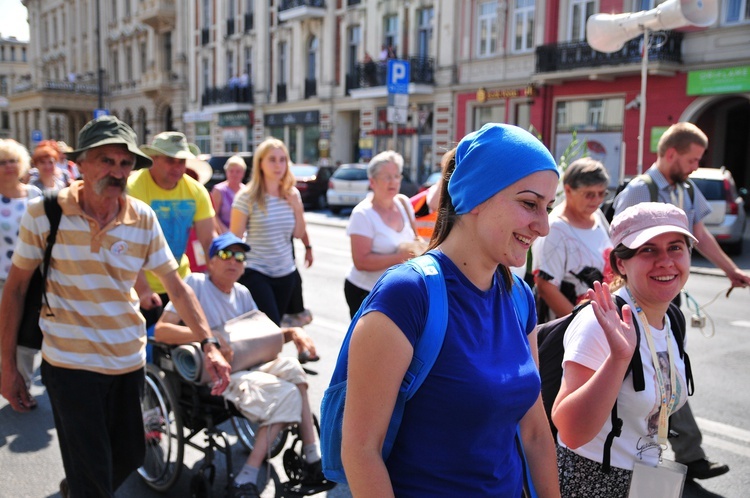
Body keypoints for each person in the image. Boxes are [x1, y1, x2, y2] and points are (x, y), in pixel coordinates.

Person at [0, 116, 231, 497]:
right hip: (69, 364)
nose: (118, 171)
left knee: (130, 454)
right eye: (106, 160)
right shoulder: (45, 213)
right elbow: (15, 289)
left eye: (125, 163)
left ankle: (78, 486)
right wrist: (8, 367)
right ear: (81, 164)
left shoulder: (141, 217)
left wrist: (208, 344)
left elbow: (176, 283)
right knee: (94, 477)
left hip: (127, 360)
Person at [340, 123, 561, 496]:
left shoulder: (519, 297)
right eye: (529, 203)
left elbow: (536, 434)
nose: (543, 226)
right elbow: (361, 451)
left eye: (548, 208)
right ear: (475, 196)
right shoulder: (407, 295)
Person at [612, 121, 745, 479]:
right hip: (637, 302)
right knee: (651, 377)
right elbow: (617, 251)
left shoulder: (685, 189)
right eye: (692, 159)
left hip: (666, 300)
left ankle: (674, 454)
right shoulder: (640, 190)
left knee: (669, 374)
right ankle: (665, 453)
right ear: (670, 153)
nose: (694, 166)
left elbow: (699, 233)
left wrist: (731, 270)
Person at [154, 232, 329, 498]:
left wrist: (293, 333)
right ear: (211, 261)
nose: (233, 261)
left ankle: (312, 455)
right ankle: (246, 476)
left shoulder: (243, 292)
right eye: (226, 254)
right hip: (220, 371)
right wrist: (207, 337)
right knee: (288, 394)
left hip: (251, 364)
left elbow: (261, 334)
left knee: (294, 368)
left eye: (239, 256)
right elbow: (162, 331)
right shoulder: (196, 284)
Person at [553, 202, 694, 496]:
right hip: (592, 482)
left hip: (646, 480)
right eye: (648, 250)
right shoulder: (600, 323)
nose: (666, 261)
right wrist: (619, 358)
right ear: (620, 263)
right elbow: (571, 431)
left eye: (676, 248)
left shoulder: (672, 319)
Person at [128, 131, 217, 327]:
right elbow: (127, 246)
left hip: (180, 282)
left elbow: (209, 241)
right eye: (171, 160)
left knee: (187, 349)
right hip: (138, 287)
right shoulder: (132, 188)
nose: (178, 167)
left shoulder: (196, 190)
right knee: (146, 352)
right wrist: (142, 289)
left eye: (182, 161)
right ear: (153, 159)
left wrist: (218, 280)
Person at [229, 138, 307, 326]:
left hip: (286, 273)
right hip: (257, 271)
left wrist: (297, 207)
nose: (278, 165)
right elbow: (234, 239)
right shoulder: (247, 196)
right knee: (270, 327)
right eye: (272, 159)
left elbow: (298, 233)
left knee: (276, 326)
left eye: (282, 159)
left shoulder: (292, 194)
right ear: (260, 163)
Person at [532, 158, 613, 323]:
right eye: (589, 194)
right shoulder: (556, 229)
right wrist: (580, 324)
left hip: (600, 321)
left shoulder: (597, 216)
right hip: (572, 330)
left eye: (602, 194)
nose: (597, 200)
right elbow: (546, 287)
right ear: (568, 190)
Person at [343, 150, 421, 318]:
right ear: (372, 181)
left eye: (396, 176)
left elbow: (414, 237)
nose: (393, 181)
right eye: (386, 177)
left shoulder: (404, 203)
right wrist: (399, 257)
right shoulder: (362, 214)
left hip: (397, 291)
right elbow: (361, 261)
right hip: (366, 292)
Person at [0, 139, 42, 408]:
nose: (8, 167)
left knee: (25, 336)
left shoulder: (35, 196)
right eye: (2, 162)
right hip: (1, 277)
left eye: (12, 161)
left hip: (31, 278)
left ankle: (22, 386)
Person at [211, 154, 247, 234]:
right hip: (224, 235)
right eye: (231, 171)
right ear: (226, 172)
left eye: (238, 171)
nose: (234, 174)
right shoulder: (219, 190)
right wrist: (226, 233)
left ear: (243, 173)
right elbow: (213, 215)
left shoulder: (246, 191)